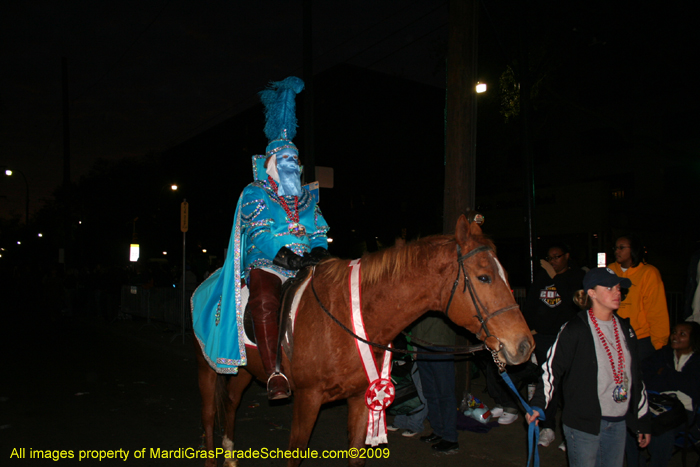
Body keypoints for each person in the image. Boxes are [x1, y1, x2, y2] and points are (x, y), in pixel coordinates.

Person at [191, 77, 330, 399]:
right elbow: (259, 231)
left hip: (307, 263)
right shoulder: (256, 192)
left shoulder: (309, 198)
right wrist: (287, 257)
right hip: (268, 261)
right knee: (264, 300)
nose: (291, 165)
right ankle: (274, 373)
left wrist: (320, 253)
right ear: (269, 166)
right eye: (284, 161)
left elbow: (319, 231)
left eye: (295, 161)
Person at [527, 267, 651, 467]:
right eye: (610, 287)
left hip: (618, 422)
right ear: (591, 293)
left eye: (619, 288)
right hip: (583, 423)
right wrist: (538, 404)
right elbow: (552, 369)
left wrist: (643, 420)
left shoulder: (626, 329)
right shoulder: (575, 329)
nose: (617, 292)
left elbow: (635, 375)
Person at [523, 242, 585, 447]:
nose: (552, 262)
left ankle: (570, 433)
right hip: (543, 338)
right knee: (547, 383)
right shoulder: (543, 277)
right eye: (549, 258)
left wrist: (556, 277)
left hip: (566, 339)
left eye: (556, 257)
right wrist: (529, 329)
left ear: (567, 256)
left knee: (569, 385)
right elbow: (532, 303)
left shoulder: (577, 277)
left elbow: (573, 302)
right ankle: (547, 427)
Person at [626, 321, 700, 467]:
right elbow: (642, 377)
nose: (675, 336)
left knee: (661, 432)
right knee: (630, 425)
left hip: (685, 412)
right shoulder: (663, 354)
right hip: (657, 405)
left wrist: (664, 374)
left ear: (693, 339)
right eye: (674, 332)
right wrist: (675, 380)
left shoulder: (697, 361)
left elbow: (693, 386)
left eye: (682, 334)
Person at [608, 235, 669, 361]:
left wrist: (659, 344)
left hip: (640, 338)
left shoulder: (648, 273)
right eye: (615, 248)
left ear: (634, 250)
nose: (616, 251)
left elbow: (656, 310)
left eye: (621, 248)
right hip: (614, 337)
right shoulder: (610, 270)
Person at [413, 314, 460, 453]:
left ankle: (451, 438)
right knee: (430, 392)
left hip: (440, 344)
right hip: (422, 343)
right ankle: (438, 430)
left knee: (445, 393)